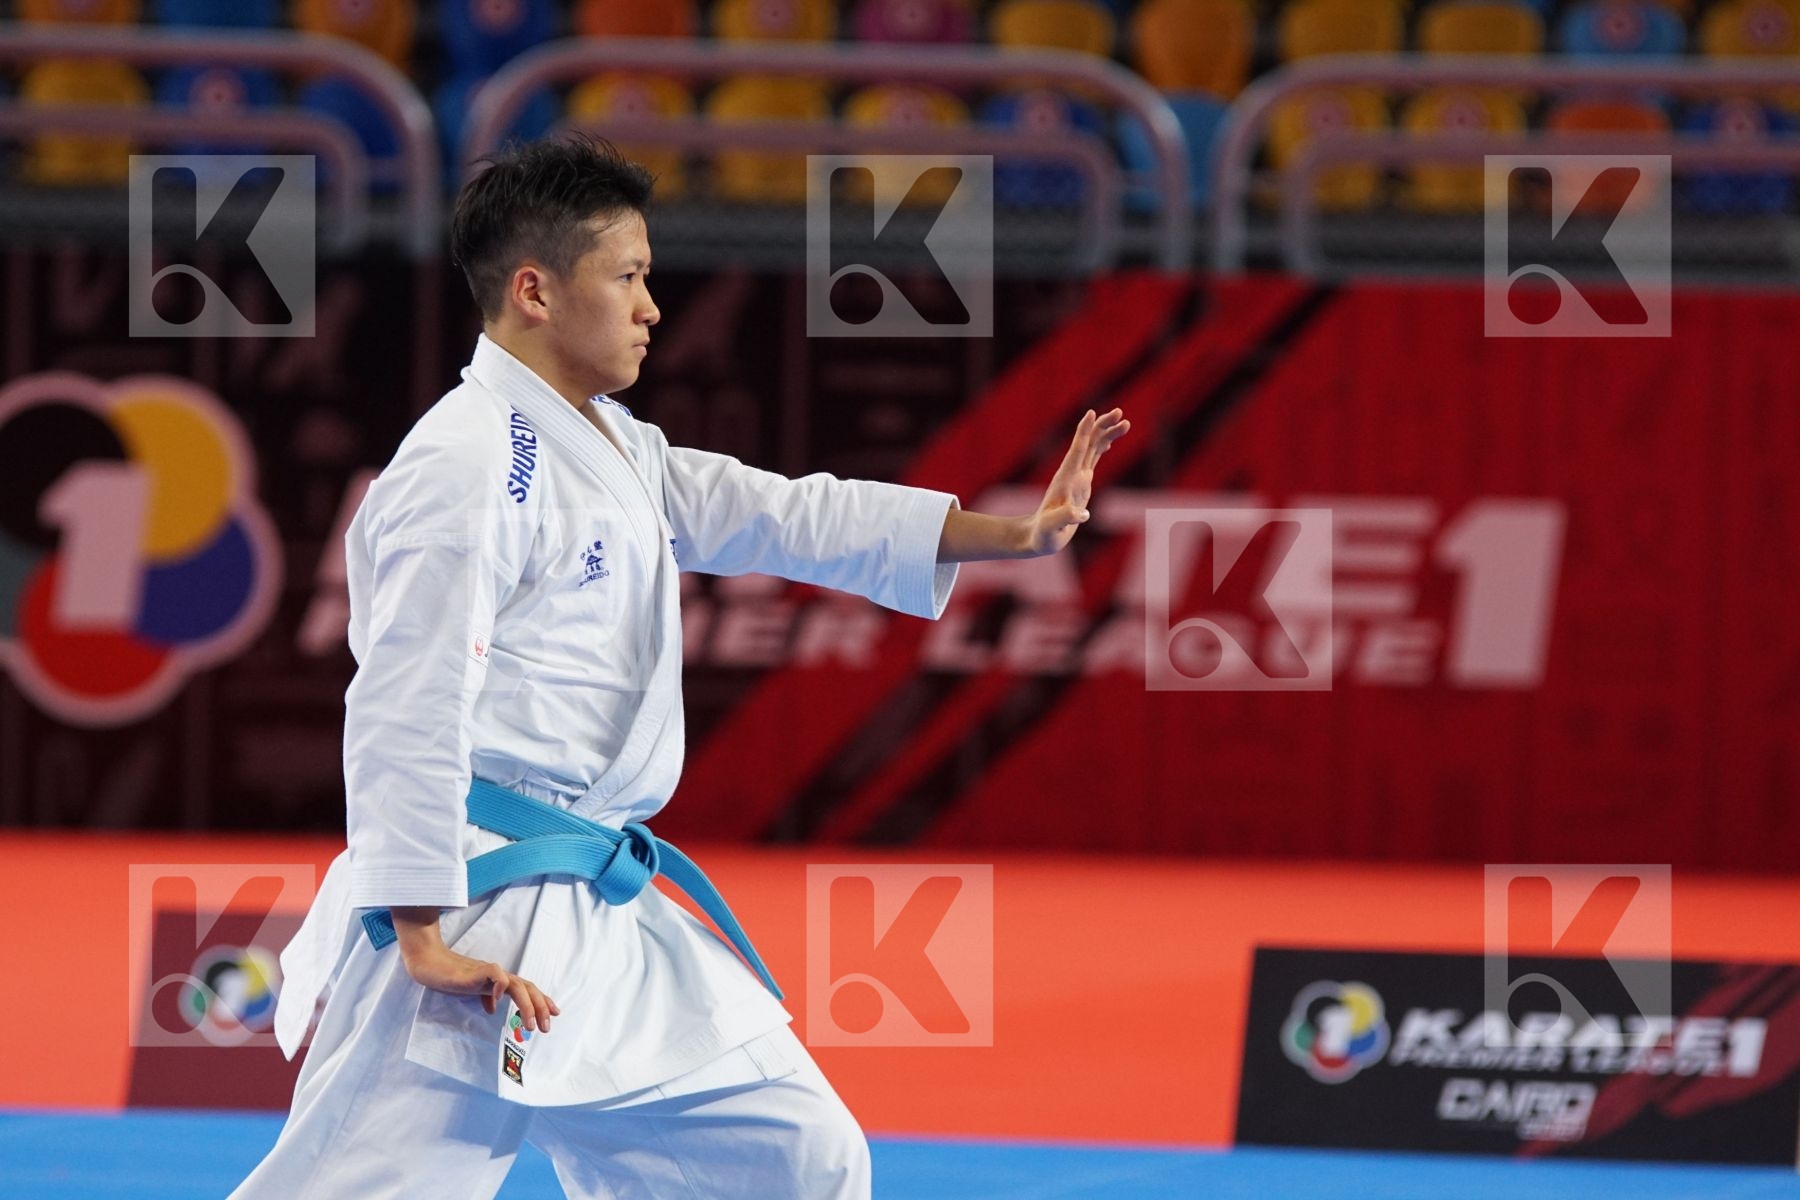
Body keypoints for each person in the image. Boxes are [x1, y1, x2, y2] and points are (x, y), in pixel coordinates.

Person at [231, 134, 1130, 1200]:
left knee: (791, 1155)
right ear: (535, 291)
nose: (653, 307)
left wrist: (1012, 536)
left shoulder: (609, 443)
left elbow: (784, 513)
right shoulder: (465, 465)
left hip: (596, 907)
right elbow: (406, 702)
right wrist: (419, 930)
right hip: (475, 906)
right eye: (628, 278)